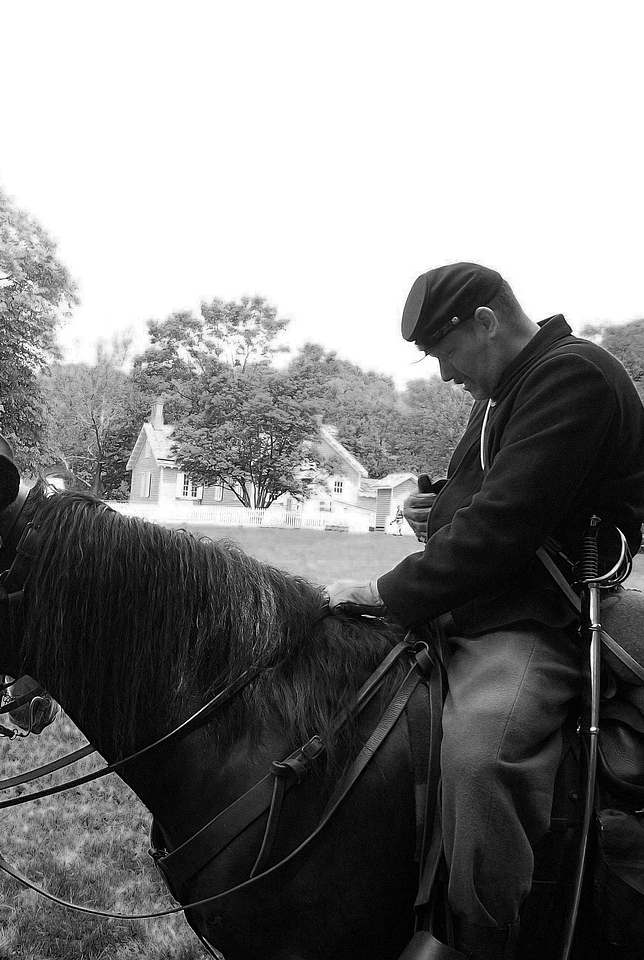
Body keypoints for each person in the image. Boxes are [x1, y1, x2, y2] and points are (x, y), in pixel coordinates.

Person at [325, 262, 644, 960]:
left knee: (480, 759)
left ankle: (483, 939)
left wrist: (386, 594)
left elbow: (505, 526)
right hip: (473, 604)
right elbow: (489, 492)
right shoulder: (505, 389)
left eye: (445, 352)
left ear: (485, 323)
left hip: (530, 617)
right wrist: (438, 506)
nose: (443, 374)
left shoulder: (575, 377)